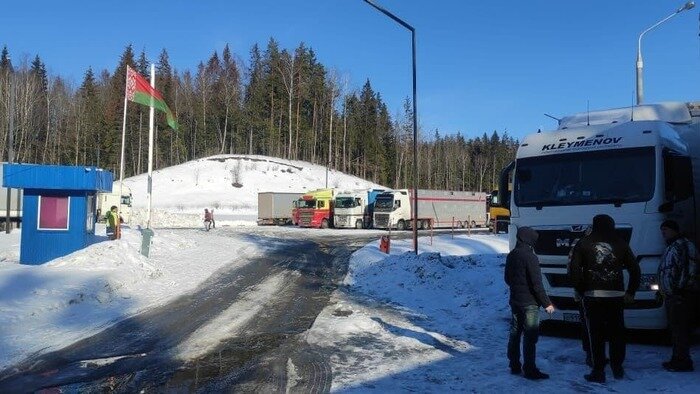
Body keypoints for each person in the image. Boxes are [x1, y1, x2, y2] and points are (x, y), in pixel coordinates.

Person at [569, 214, 640, 383]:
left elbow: (574, 270)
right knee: (617, 333)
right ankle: (617, 367)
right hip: (616, 295)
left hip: (593, 295)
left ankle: (598, 371)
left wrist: (579, 289)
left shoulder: (583, 243)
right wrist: (630, 291)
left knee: (596, 335)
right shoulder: (620, 243)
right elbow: (635, 269)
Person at [505, 226, 555, 380]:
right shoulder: (531, 257)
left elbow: (507, 279)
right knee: (530, 337)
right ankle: (530, 369)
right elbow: (537, 285)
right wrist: (547, 304)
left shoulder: (512, 255)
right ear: (530, 241)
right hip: (530, 304)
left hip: (515, 301)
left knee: (515, 333)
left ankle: (514, 365)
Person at [658, 219, 698, 372]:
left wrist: (680, 289)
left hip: (680, 295)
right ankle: (677, 358)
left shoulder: (684, 245)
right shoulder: (672, 246)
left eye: (666, 230)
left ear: (674, 230)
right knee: (675, 329)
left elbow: (689, 269)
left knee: (680, 329)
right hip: (672, 294)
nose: (663, 233)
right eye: (662, 231)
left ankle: (683, 360)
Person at [568, 228, 593, 367]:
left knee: (589, 324)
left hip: (585, 290)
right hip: (588, 291)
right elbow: (572, 267)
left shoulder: (579, 243)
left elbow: (571, 267)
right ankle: (591, 354)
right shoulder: (581, 244)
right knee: (590, 324)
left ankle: (591, 353)